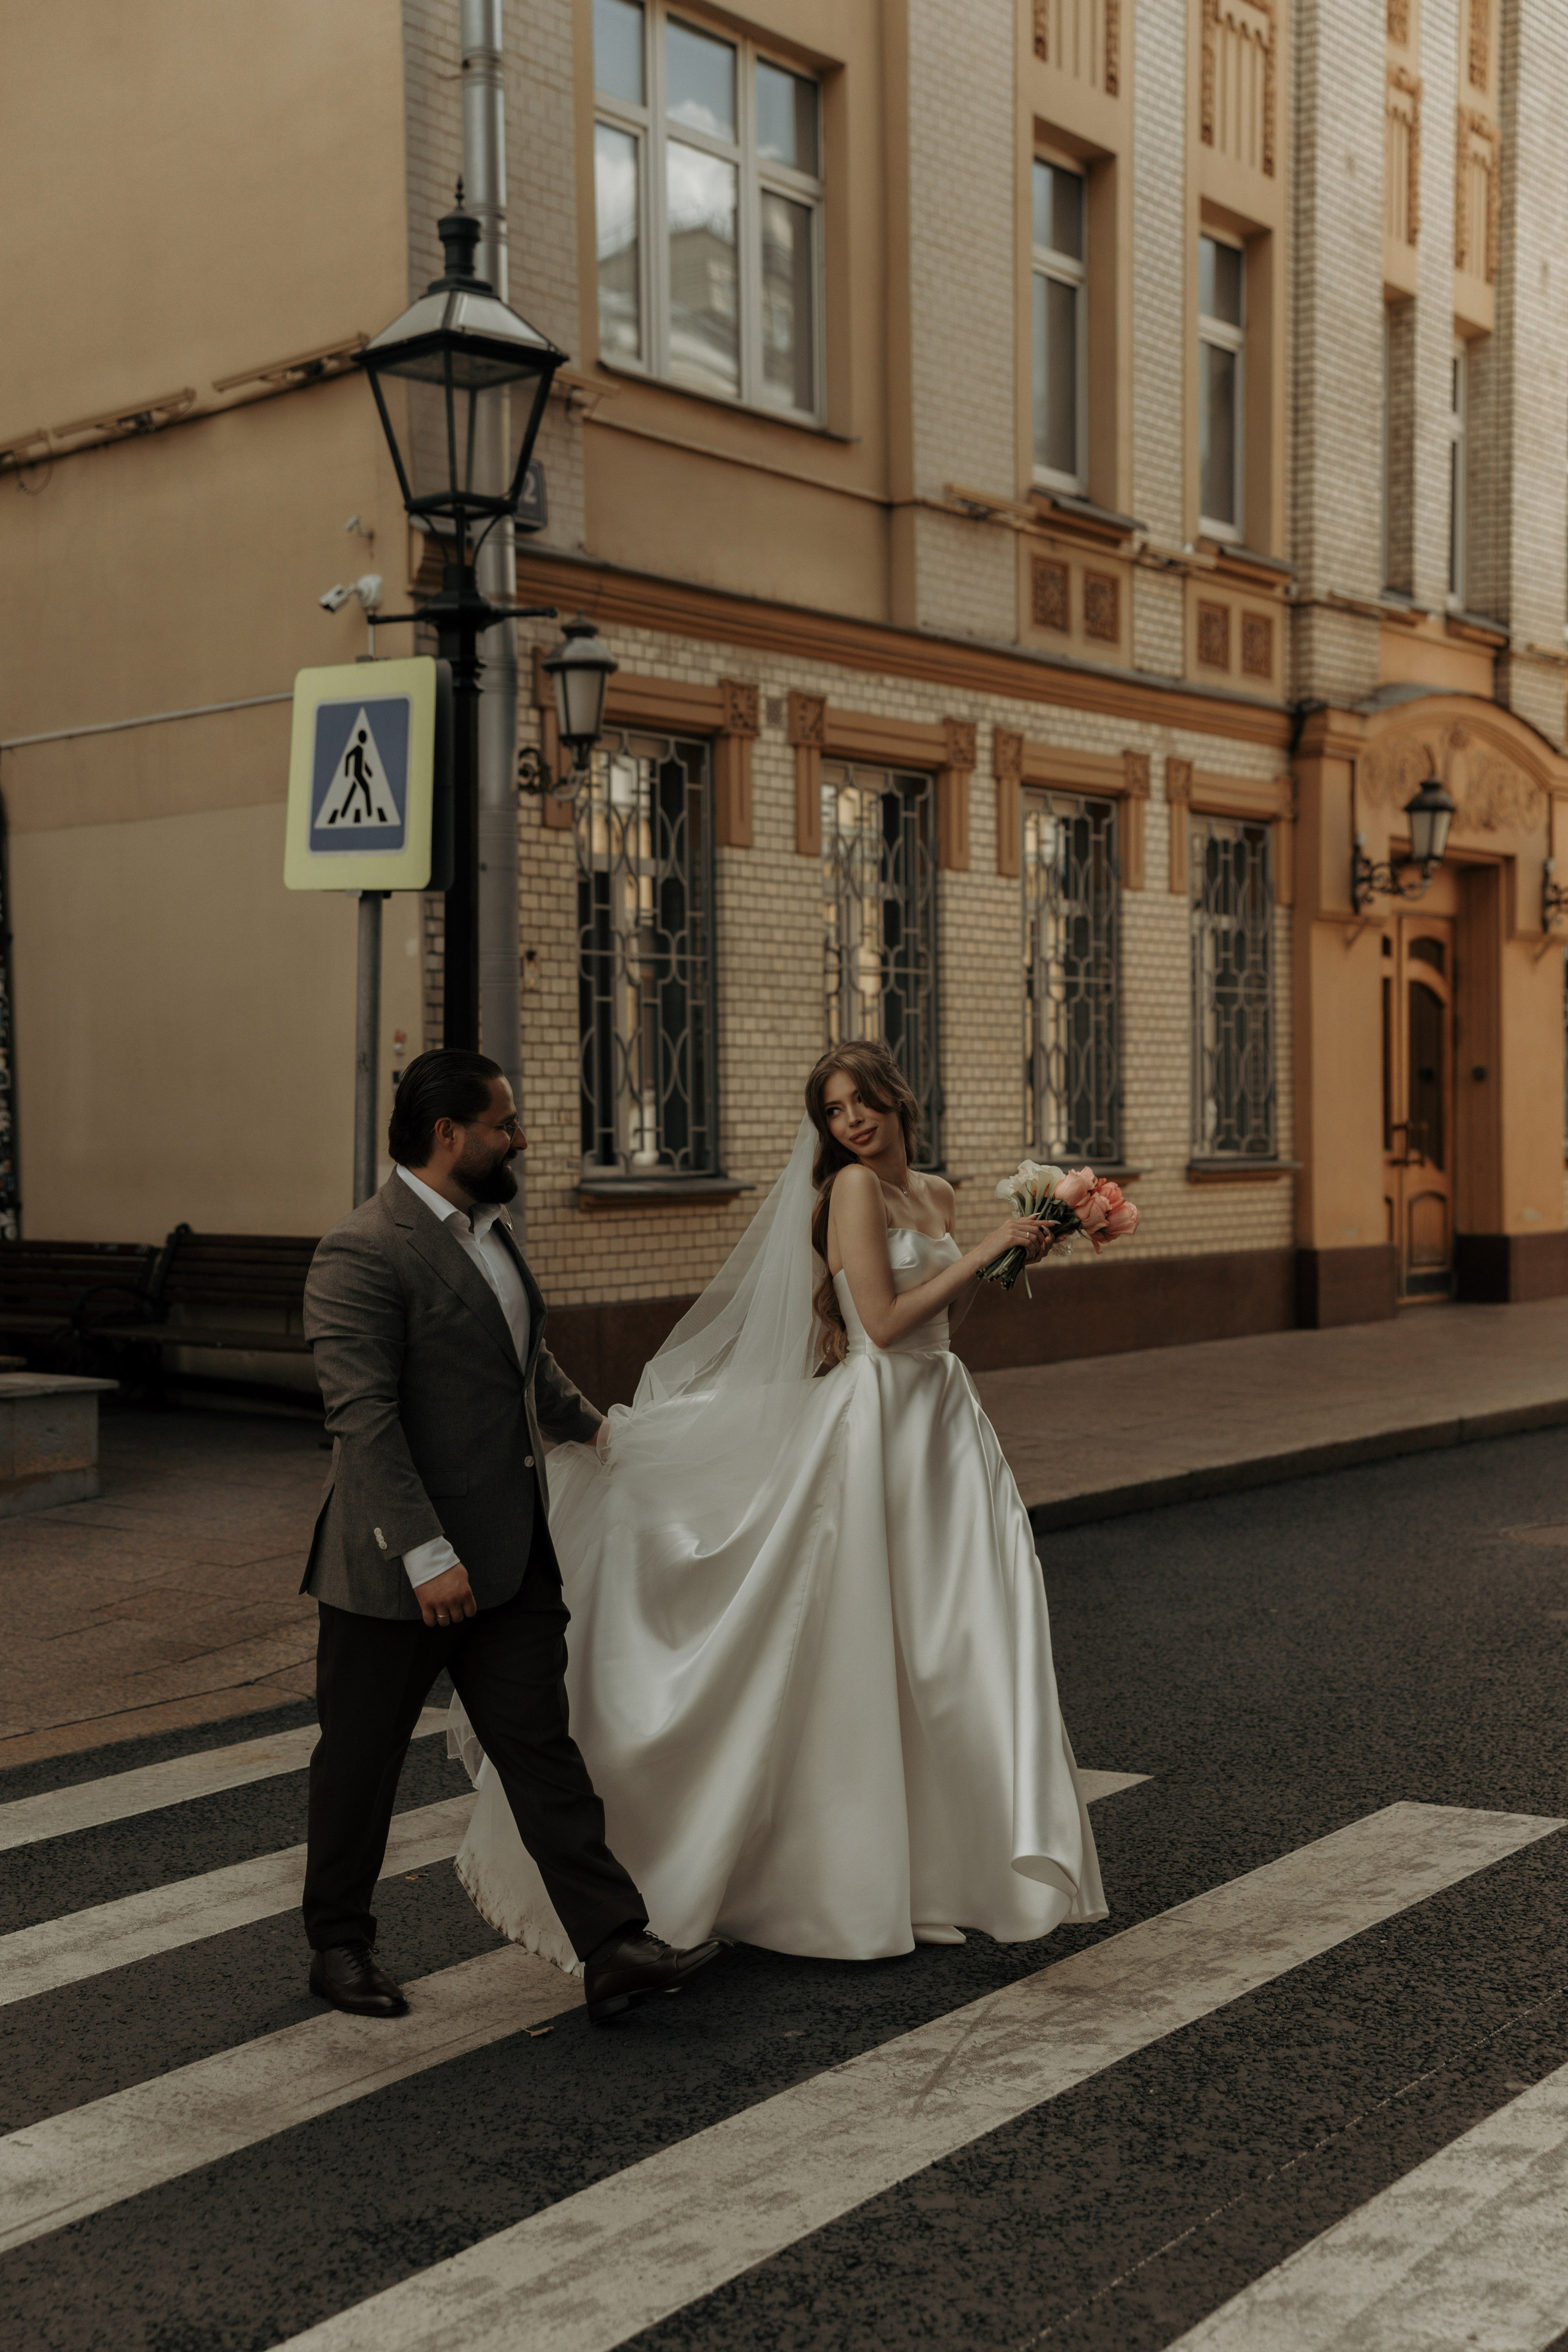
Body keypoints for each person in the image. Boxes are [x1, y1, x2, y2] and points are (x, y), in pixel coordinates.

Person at [449, 1039, 1106, 1966]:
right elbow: (879, 1321)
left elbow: (942, 1313)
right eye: (834, 1113)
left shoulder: (942, 1195)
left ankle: (950, 1868)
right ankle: (826, 1872)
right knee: (863, 1643)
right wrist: (999, 1245)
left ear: (894, 1096)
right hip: (876, 1422)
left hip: (943, 1422)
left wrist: (1021, 1248)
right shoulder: (849, 1192)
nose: (852, 1122)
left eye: (862, 1102)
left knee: (952, 1642)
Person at [300, 1048, 726, 2023]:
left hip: (509, 1554)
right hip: (394, 1571)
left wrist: (604, 1433)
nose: (521, 1136)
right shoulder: (362, 1250)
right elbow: (362, 1420)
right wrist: (424, 1553)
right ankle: (339, 1946)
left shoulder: (492, 1233)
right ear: (450, 1135)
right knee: (361, 1762)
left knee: (540, 1750)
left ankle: (613, 1944)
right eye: (505, 1122)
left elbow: (521, 1369)